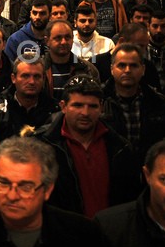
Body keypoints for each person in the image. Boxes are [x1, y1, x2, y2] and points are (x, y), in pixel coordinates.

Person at [33, 75, 141, 217]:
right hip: (63, 234)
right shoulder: (42, 147)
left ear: (101, 108)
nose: (85, 113)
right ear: (63, 107)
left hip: (109, 233)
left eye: (92, 106)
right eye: (77, 105)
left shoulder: (120, 148)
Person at [101, 43, 165, 159]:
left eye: (133, 66)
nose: (127, 70)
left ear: (143, 69)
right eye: (121, 65)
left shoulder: (159, 101)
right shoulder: (99, 100)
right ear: (112, 69)